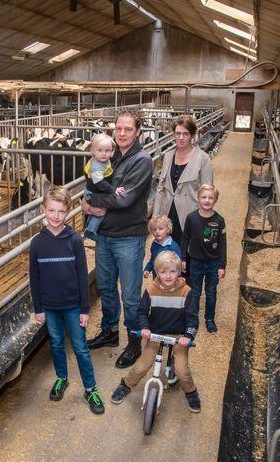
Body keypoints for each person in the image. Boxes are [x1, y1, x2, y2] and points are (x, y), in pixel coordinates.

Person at [82, 110, 153, 369]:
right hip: (104, 235)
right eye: (118, 129)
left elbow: (124, 199)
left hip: (128, 237)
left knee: (131, 295)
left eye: (128, 129)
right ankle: (110, 331)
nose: (122, 133)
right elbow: (91, 184)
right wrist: (91, 203)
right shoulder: (108, 155)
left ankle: (133, 340)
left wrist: (91, 203)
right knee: (106, 287)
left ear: (138, 132)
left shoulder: (141, 160)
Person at [29, 185, 105, 414]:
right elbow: (35, 278)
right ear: (43, 209)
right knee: (56, 344)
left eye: (61, 211)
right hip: (49, 306)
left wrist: (84, 309)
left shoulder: (74, 240)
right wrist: (38, 308)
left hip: (73, 305)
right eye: (51, 210)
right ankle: (62, 377)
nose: (55, 216)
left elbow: (82, 276)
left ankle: (90, 388)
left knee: (81, 348)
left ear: (68, 211)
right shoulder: (37, 243)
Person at [109, 251, 201, 413]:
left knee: (182, 370)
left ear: (179, 271)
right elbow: (142, 311)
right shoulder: (151, 289)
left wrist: (188, 336)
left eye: (172, 271)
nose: (168, 276)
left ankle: (191, 392)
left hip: (179, 336)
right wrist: (144, 327)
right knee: (142, 365)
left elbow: (192, 318)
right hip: (156, 333)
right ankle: (126, 385)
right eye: (163, 272)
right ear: (157, 272)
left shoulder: (187, 291)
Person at [153, 115, 214, 247]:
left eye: (185, 134)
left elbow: (208, 194)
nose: (181, 138)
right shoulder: (168, 156)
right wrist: (156, 218)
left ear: (192, 135)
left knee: (186, 256)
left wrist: (203, 222)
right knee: (167, 255)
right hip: (167, 215)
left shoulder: (203, 159)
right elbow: (160, 188)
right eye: (178, 133)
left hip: (189, 216)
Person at [181, 183, 226, 333]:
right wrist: (183, 259)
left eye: (210, 198)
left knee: (211, 291)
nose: (207, 200)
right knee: (194, 291)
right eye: (204, 197)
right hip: (195, 262)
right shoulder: (191, 218)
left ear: (216, 200)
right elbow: (185, 239)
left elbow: (222, 244)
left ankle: (209, 318)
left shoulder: (219, 220)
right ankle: (192, 320)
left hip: (213, 263)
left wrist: (222, 265)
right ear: (198, 198)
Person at [83, 133, 126, 237]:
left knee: (96, 211)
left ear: (112, 150)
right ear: (92, 151)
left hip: (95, 191)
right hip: (94, 192)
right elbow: (99, 183)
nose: (104, 154)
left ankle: (89, 224)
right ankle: (90, 230)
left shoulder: (104, 161)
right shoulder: (96, 166)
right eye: (100, 150)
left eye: (107, 151)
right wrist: (113, 189)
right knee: (101, 211)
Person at [143, 214, 182, 278]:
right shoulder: (154, 244)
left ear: (168, 229)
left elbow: (178, 265)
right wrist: (147, 269)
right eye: (154, 229)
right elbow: (153, 259)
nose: (157, 232)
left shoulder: (173, 246)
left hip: (170, 279)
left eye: (161, 229)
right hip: (156, 278)